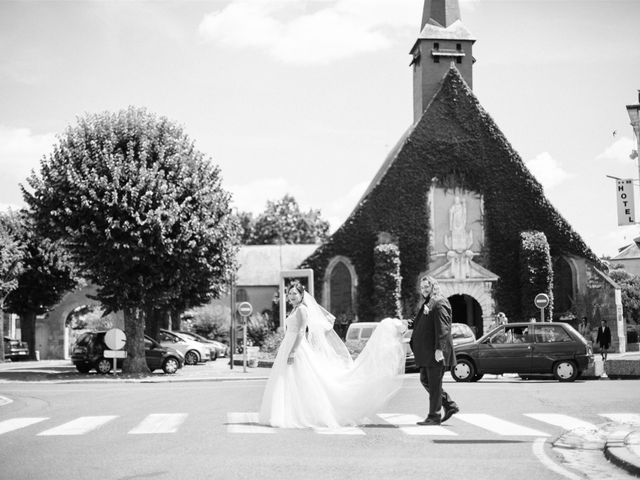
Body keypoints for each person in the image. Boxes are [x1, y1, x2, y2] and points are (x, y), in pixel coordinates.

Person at [258, 281, 406, 428]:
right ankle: (289, 412)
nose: (292, 296)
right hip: (288, 344)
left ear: (302, 295)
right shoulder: (295, 309)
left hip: (296, 347)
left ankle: (296, 413)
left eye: (295, 293)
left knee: (297, 379)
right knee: (290, 380)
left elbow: (302, 331)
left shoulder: (302, 309)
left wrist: (293, 351)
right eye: (290, 293)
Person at [410, 275, 459, 426]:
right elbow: (422, 322)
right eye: (422, 287)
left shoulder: (439, 302)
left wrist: (439, 349)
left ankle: (434, 416)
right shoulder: (429, 302)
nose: (424, 289)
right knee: (426, 380)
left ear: (433, 286)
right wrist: (406, 323)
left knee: (434, 384)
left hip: (436, 353)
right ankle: (450, 405)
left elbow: (443, 328)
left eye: (427, 286)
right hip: (427, 353)